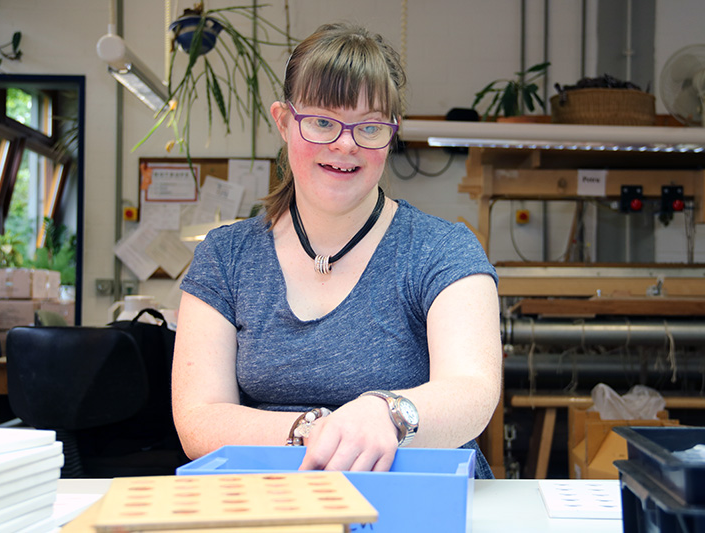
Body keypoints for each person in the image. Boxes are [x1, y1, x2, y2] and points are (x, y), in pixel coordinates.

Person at [172, 22, 502, 478]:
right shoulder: (227, 257)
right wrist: (313, 430)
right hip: (274, 503)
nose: (345, 143)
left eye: (368, 127)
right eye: (323, 121)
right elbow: (198, 417)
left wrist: (387, 413)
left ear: (391, 134)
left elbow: (473, 391)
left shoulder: (442, 251)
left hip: (418, 503)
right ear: (284, 122)